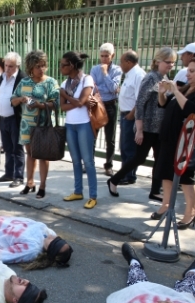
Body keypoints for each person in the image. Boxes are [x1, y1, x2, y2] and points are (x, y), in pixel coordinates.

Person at [152, 57, 195, 229]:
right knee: (166, 172)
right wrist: (161, 92)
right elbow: (164, 106)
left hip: (186, 141)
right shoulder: (187, 89)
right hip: (169, 138)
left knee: (186, 177)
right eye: (188, 70)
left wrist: (176, 90)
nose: (188, 74)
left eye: (192, 71)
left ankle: (191, 211)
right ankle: (166, 204)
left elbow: (190, 109)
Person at [107, 48, 176, 202]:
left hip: (160, 128)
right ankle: (114, 180)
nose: (171, 65)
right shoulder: (150, 78)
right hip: (147, 127)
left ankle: (155, 191)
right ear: (158, 61)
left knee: (160, 159)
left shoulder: (164, 77)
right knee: (139, 158)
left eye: (173, 62)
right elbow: (140, 103)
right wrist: (139, 129)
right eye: (168, 62)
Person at [11, 50, 60, 199]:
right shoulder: (24, 82)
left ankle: (43, 185)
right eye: (38, 66)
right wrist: (21, 99)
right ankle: (30, 182)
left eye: (43, 66)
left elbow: (56, 103)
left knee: (43, 155)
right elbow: (13, 100)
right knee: (30, 154)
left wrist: (39, 105)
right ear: (31, 67)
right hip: (27, 124)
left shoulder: (50, 82)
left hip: (43, 124)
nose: (41, 69)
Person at [59, 51, 98, 209]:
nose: (61, 67)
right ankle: (78, 191)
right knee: (75, 161)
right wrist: (73, 101)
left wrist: (66, 96)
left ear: (72, 65)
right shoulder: (64, 84)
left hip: (84, 124)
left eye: (63, 65)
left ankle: (93, 196)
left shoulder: (86, 79)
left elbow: (82, 102)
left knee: (88, 161)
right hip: (70, 125)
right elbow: (63, 107)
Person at [0, 52, 27, 188]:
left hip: (15, 119)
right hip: (3, 118)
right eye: (6, 65)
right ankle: (9, 173)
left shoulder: (22, 78)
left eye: (11, 66)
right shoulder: (2, 77)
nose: (7, 68)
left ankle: (18, 176)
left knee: (17, 148)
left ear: (17, 66)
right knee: (7, 148)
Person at [90, 43, 123, 176]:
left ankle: (108, 165)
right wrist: (106, 88)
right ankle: (89, 163)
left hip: (110, 105)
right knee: (93, 135)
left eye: (106, 56)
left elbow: (113, 88)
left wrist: (105, 74)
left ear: (112, 56)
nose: (104, 59)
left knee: (110, 138)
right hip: (97, 104)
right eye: (102, 56)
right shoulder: (94, 69)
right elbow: (92, 87)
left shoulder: (117, 70)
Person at [117, 51, 146, 185]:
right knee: (124, 146)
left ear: (128, 62)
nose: (120, 64)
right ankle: (125, 173)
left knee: (129, 148)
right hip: (125, 115)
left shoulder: (138, 75)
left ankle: (129, 176)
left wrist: (132, 114)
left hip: (131, 116)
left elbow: (140, 98)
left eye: (121, 61)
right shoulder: (129, 74)